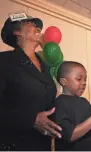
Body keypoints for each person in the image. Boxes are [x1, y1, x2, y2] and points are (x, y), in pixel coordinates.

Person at [0, 12, 62, 151]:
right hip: (13, 145)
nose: (37, 26)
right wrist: (31, 119)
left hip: (41, 144)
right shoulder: (4, 61)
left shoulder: (44, 65)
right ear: (17, 31)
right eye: (30, 23)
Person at [53, 61, 91, 151]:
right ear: (64, 82)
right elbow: (70, 135)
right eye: (79, 79)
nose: (84, 82)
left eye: (85, 79)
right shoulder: (59, 103)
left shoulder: (84, 101)